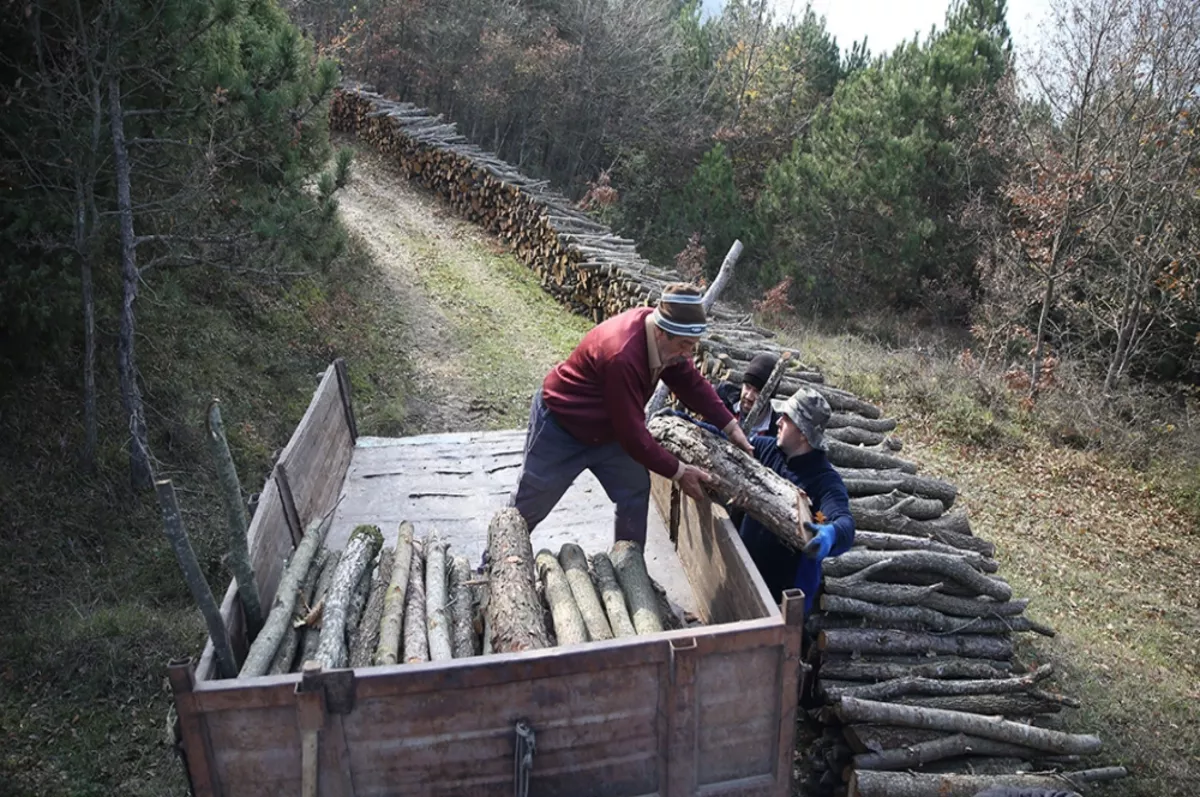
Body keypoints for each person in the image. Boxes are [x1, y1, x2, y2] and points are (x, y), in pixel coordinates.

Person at [510, 283, 754, 546]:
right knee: (531, 503)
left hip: (607, 432)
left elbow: (690, 382)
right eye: (684, 345)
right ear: (662, 333)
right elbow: (633, 436)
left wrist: (731, 427)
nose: (687, 355)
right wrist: (680, 471)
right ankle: (494, 564)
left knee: (634, 490)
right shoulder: (622, 355)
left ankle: (630, 569)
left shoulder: (664, 342)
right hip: (562, 426)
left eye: (692, 346)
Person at [738, 387, 855, 615]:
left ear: (803, 433)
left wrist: (830, 534)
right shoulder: (767, 450)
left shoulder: (825, 482)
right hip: (744, 573)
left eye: (786, 418)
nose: (778, 422)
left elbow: (845, 524)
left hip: (783, 601)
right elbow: (727, 444)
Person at [715, 352, 781, 437]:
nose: (749, 396)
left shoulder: (776, 429)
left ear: (769, 396)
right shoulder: (722, 396)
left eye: (758, 392)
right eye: (747, 387)